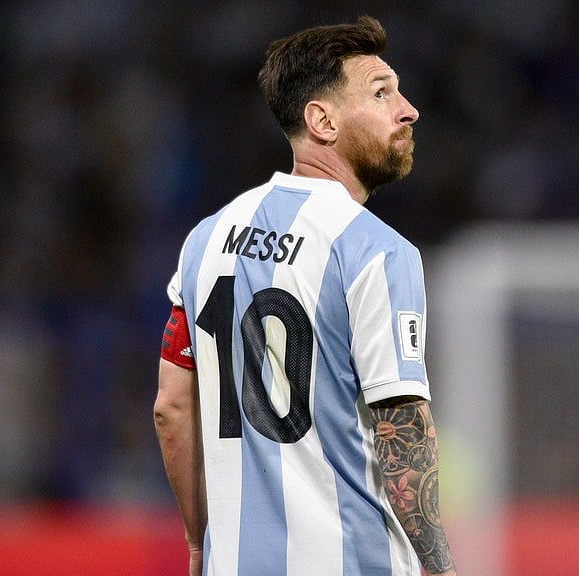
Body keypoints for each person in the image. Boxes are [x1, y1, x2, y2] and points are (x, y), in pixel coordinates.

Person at [154, 15, 458, 576]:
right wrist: (440, 570)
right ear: (322, 120)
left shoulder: (206, 238)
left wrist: (201, 544)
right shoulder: (379, 252)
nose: (408, 109)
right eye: (382, 92)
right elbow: (403, 429)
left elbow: (171, 408)